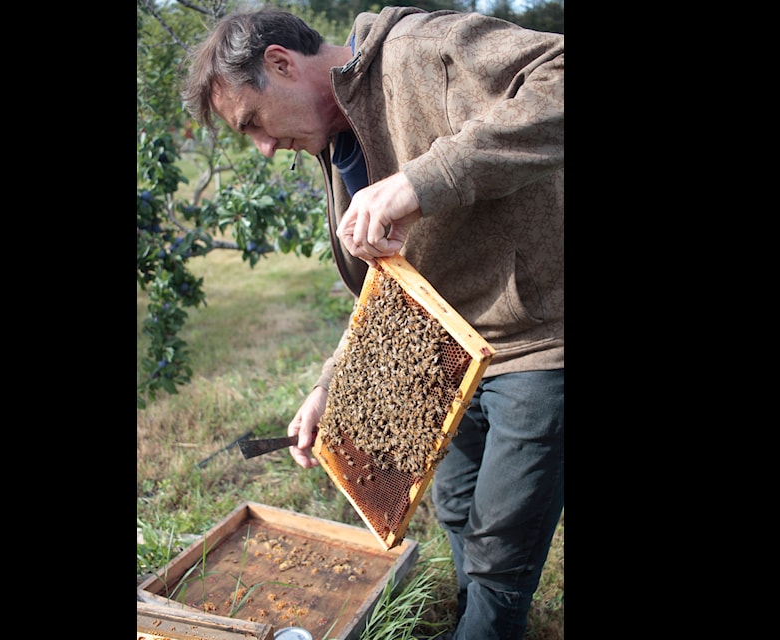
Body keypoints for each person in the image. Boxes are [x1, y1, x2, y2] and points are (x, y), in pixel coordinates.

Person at [181, 6, 563, 640]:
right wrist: (335, 381)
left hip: (536, 340)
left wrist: (423, 179)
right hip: (447, 353)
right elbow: (389, 281)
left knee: (502, 552)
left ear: (281, 63)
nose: (266, 147)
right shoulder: (335, 145)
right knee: (461, 513)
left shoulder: (422, 48)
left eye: (253, 122)